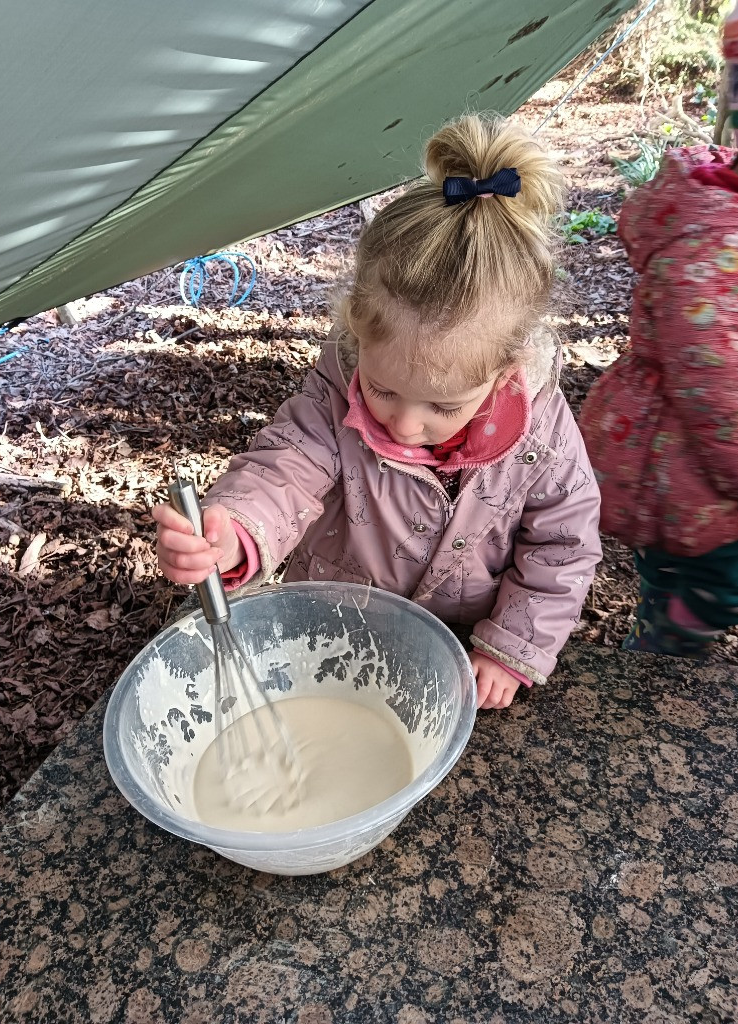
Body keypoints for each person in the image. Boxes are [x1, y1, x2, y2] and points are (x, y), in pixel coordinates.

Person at [153, 113, 602, 710]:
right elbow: (286, 464)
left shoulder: (540, 432)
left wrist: (509, 645)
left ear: (507, 369)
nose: (404, 424)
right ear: (355, 334)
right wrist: (235, 530)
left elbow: (563, 544)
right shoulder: (335, 393)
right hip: (335, 624)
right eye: (384, 389)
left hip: (462, 640)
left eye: (444, 406)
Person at [579, 0, 738, 656]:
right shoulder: (706, 254)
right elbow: (713, 400)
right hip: (688, 476)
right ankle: (659, 650)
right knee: (723, 581)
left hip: (716, 473)